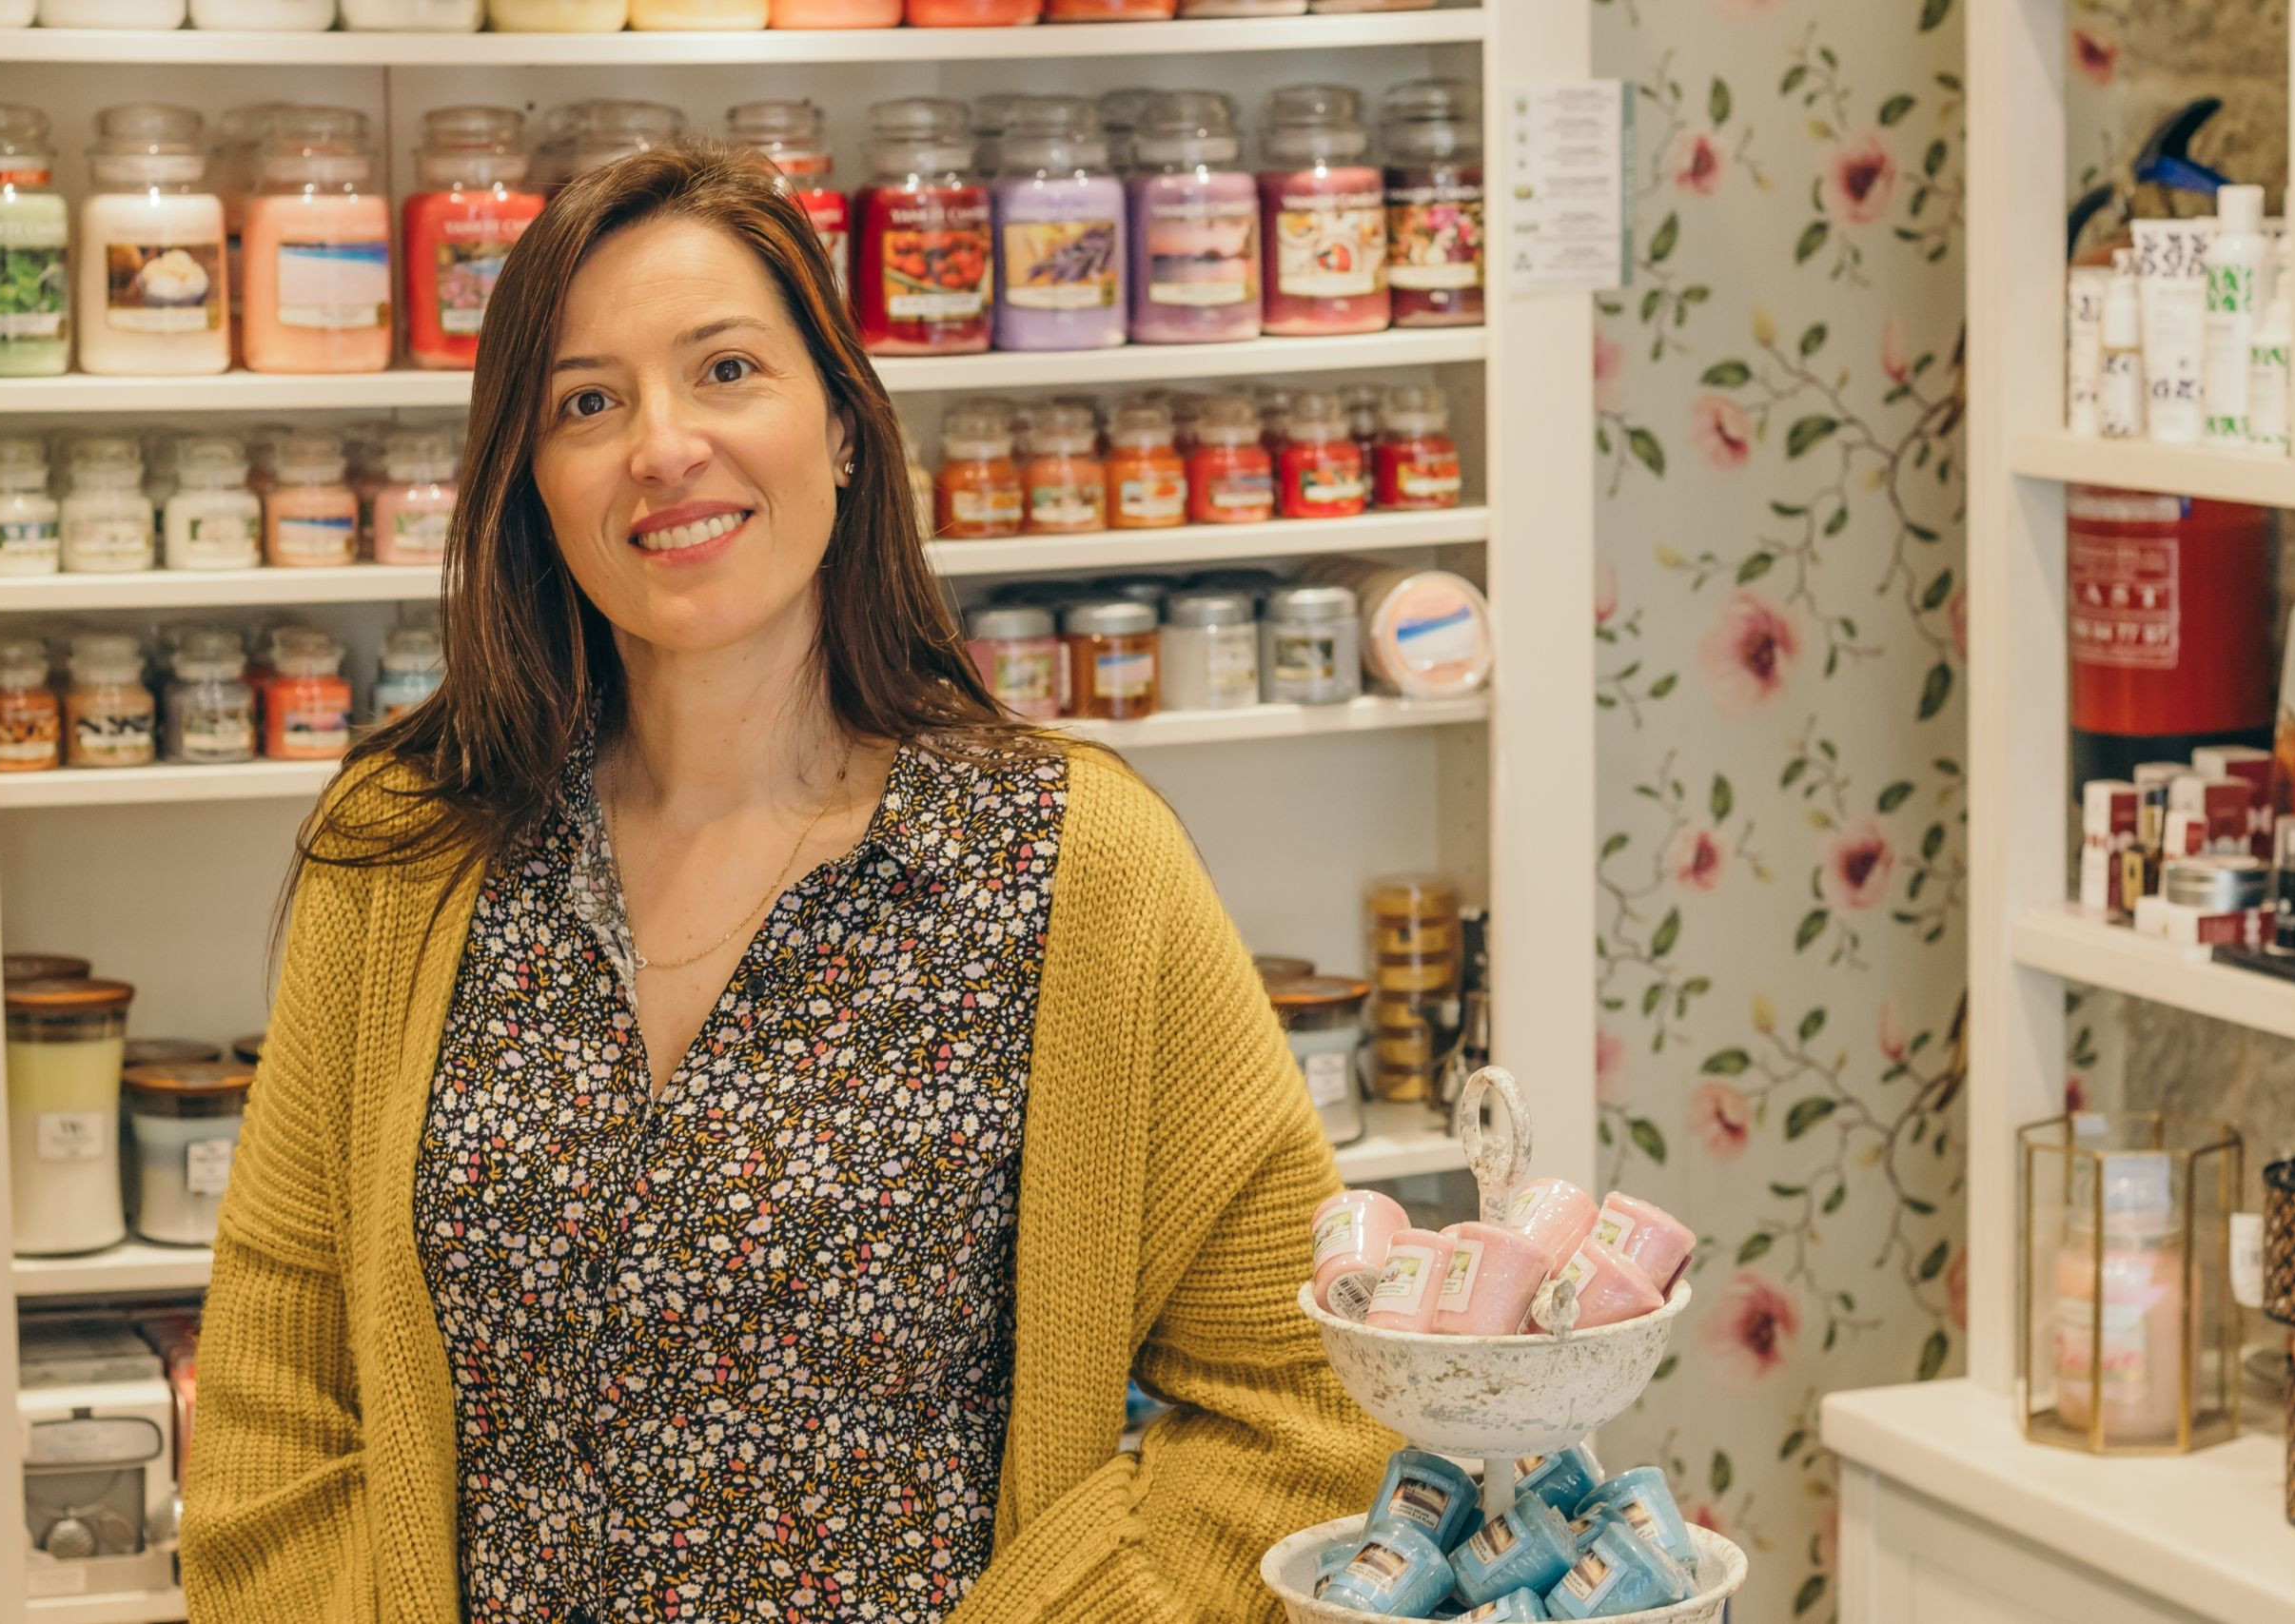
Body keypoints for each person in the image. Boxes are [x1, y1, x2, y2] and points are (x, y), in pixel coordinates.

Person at [184, 140, 1391, 1623]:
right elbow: (275, 1401)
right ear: (530, 487)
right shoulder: (408, 853)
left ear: (842, 430)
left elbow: (1298, 1397)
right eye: (587, 402)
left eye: (728, 371)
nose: (663, 446)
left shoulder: (1072, 862)